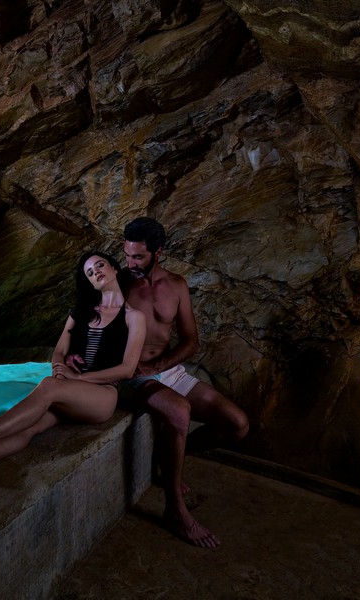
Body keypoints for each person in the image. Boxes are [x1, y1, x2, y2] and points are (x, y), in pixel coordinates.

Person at [0, 251, 146, 477]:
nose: (97, 273)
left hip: (102, 395)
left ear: (114, 268)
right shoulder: (81, 312)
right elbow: (59, 352)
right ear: (90, 283)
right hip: (70, 390)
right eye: (90, 273)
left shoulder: (133, 317)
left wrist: (77, 378)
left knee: (47, 386)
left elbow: (127, 369)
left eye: (100, 265)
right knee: (33, 425)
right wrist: (59, 369)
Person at [120, 216, 249, 548]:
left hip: (165, 370)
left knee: (237, 425)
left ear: (158, 252)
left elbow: (191, 342)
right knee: (179, 412)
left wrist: (158, 365)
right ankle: (175, 509)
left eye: (138, 257)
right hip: (131, 376)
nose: (130, 263)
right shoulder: (117, 284)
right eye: (127, 254)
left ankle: (169, 461)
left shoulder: (176, 285)